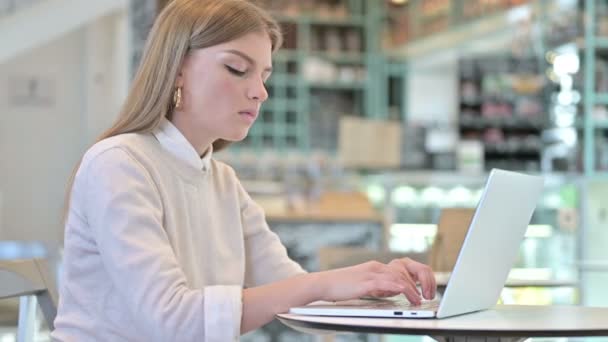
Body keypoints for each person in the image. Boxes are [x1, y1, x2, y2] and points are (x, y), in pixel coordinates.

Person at [52, 0, 436, 341]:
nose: (260, 92)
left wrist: (379, 284)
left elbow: (291, 288)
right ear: (177, 70)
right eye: (238, 69)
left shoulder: (221, 181)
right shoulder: (119, 164)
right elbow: (172, 322)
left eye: (264, 76)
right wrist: (323, 282)